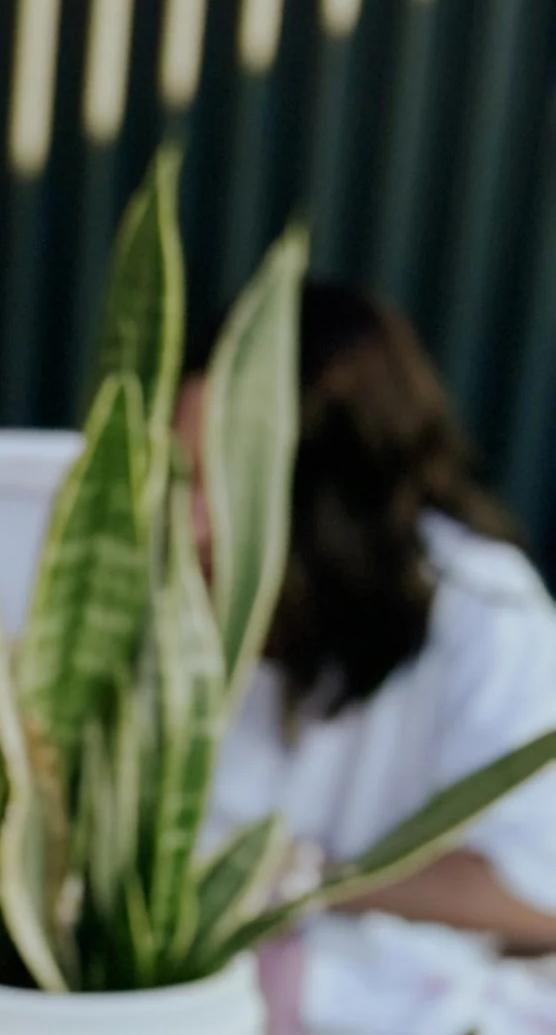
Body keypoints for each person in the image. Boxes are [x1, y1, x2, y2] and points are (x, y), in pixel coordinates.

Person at [198, 283, 556, 947]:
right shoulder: (164, 587)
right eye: (179, 472)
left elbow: (540, 891)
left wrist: (296, 881)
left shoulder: (484, 609)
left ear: (332, 496)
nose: (193, 519)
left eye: (224, 480)